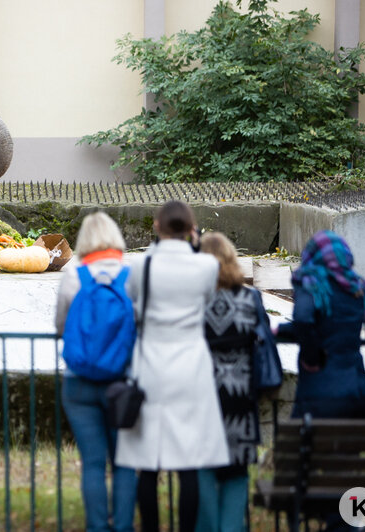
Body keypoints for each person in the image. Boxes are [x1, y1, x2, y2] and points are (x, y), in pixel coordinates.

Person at [116, 200, 229, 532]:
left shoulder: (141, 267)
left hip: (150, 364)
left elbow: (133, 302)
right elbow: (207, 300)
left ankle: (150, 527)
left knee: (147, 462)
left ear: (156, 226)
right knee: (188, 460)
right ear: (191, 229)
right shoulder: (206, 267)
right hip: (191, 366)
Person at [55, 211, 138, 532]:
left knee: (92, 463)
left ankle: (97, 527)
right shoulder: (131, 276)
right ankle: (123, 527)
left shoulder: (75, 276)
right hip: (122, 383)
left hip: (79, 382)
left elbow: (61, 325)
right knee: (124, 464)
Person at [197, 232, 268, 532]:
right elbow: (264, 341)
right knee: (237, 475)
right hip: (239, 396)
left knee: (203, 474)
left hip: (202, 398)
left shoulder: (193, 302)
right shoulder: (250, 298)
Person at [276, 230, 365, 419]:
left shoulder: (312, 284)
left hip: (320, 394)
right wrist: (282, 329)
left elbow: (304, 320)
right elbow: (333, 325)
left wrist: (311, 359)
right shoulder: (357, 288)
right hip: (358, 391)